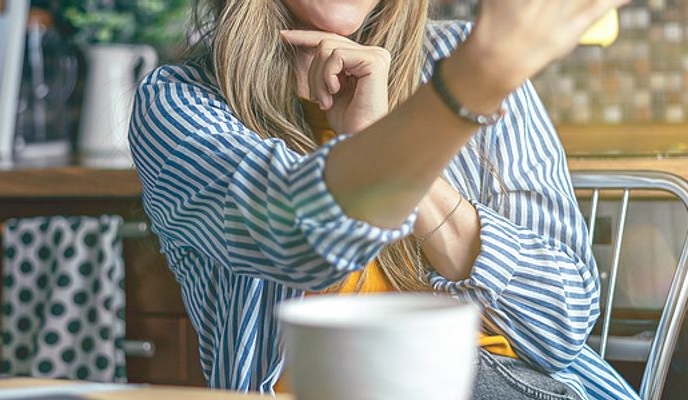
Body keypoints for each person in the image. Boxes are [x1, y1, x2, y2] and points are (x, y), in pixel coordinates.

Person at [129, 0, 636, 399]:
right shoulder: (178, 103)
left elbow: (562, 322)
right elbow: (298, 238)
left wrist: (393, 135)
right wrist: (466, 92)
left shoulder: (456, 56)